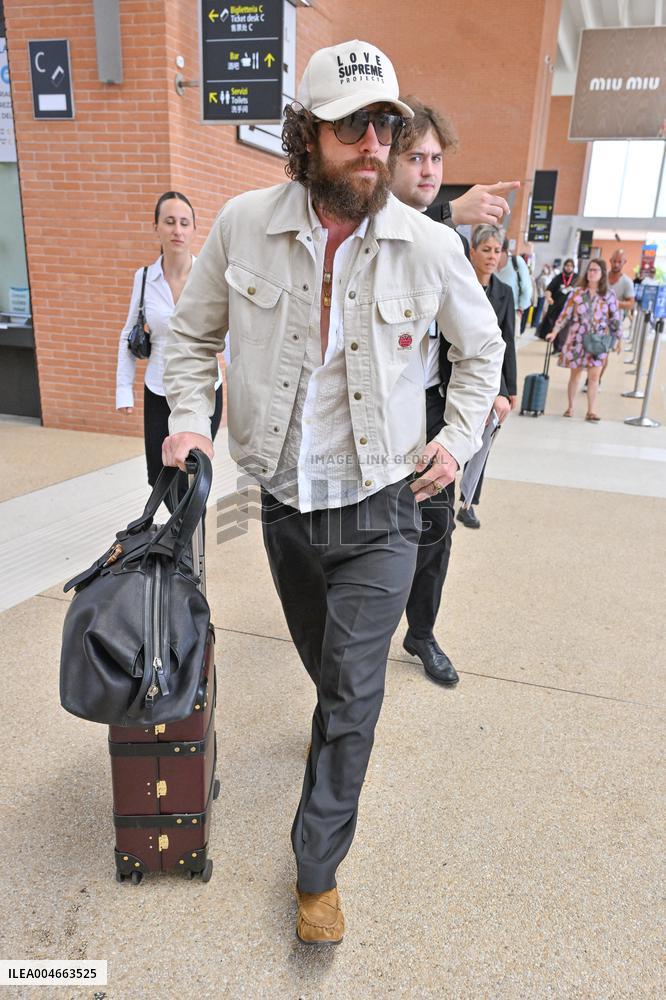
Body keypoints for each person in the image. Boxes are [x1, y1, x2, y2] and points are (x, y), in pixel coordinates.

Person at [161, 40, 504, 944]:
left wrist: (458, 439)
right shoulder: (242, 225)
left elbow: (484, 355)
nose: (375, 143)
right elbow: (190, 340)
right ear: (305, 136)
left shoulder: (429, 246)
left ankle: (317, 872)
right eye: (353, 126)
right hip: (283, 507)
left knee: (354, 695)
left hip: (386, 506)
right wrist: (190, 419)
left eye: (386, 123)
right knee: (328, 671)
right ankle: (331, 759)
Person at [390, 94, 517, 685]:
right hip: (371, 410)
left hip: (434, 409)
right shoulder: (367, 225)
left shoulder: (448, 244)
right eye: (415, 156)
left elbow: (489, 340)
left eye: (436, 158)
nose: (428, 170)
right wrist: (449, 211)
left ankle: (421, 632)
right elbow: (387, 235)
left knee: (434, 531)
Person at [115, 192, 223, 500]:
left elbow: (227, 338)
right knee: (159, 475)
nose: (177, 230)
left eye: (185, 223)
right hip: (158, 387)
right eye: (170, 222)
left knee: (191, 474)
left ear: (194, 229)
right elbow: (129, 332)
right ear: (156, 227)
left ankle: (187, 542)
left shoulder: (210, 275)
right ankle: (180, 538)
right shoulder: (145, 277)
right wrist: (124, 389)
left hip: (203, 387)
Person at [457, 224, 517, 529]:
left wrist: (509, 389)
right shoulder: (460, 285)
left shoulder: (504, 293)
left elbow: (508, 343)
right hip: (455, 374)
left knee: (482, 443)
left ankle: (467, 501)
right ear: (472, 252)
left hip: (491, 381)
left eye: (497, 250)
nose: (492, 256)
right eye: (486, 250)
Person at [546, 258, 621, 421]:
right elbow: (565, 315)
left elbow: (615, 319)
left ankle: (591, 411)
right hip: (577, 339)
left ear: (602, 274)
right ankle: (570, 407)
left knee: (594, 377)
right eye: (589, 270)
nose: (591, 273)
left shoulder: (609, 295)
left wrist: (618, 339)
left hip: (598, 341)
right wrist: (555, 331)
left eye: (595, 270)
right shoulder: (577, 293)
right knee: (575, 375)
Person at [537, 257, 577, 345]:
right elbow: (548, 290)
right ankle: (556, 346)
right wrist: (549, 298)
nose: (569, 267)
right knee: (555, 326)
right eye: (567, 265)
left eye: (571, 266)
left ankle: (561, 346)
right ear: (564, 266)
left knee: (566, 329)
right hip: (556, 307)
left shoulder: (576, 278)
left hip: (570, 308)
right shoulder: (558, 277)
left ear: (573, 267)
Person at [497, 239, 531, 326]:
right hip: (491, 310)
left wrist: (520, 309)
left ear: (504, 250)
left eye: (496, 250)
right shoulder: (489, 265)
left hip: (512, 310)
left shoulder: (516, 262)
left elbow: (526, 288)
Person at [533, 263, 552, 329]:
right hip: (542, 295)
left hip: (537, 295)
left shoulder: (539, 277)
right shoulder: (544, 278)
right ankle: (535, 324)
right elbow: (546, 288)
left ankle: (533, 323)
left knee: (536, 310)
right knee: (539, 310)